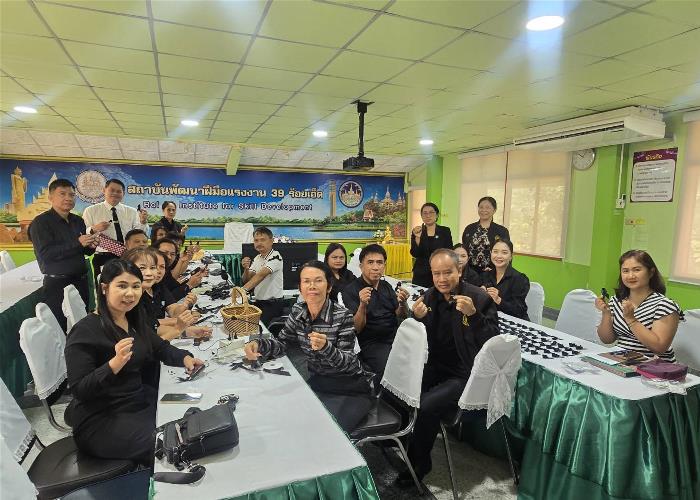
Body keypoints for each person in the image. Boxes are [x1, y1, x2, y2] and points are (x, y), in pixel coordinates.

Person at [64, 259, 204, 465]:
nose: (130, 293)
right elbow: (80, 390)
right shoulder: (84, 331)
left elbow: (159, 347)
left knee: (194, 423)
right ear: (104, 288)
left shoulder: (132, 318)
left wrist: (185, 358)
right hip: (102, 420)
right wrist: (113, 365)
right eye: (122, 286)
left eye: (135, 286)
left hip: (137, 401)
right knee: (175, 445)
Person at [399, 248, 499, 486]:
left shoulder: (479, 298)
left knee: (426, 405)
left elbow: (493, 343)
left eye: (448, 272)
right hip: (435, 367)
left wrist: (473, 315)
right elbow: (415, 337)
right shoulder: (429, 297)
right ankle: (402, 444)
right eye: (437, 274)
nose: (442, 279)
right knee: (399, 388)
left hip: (466, 374)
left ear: (459, 270)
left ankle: (419, 465)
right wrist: (415, 318)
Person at [244, 261, 372, 432]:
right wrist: (258, 344)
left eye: (318, 280)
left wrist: (326, 347)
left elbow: (348, 363)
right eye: (306, 281)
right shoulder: (298, 311)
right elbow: (282, 343)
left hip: (349, 388)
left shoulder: (343, 316)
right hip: (318, 382)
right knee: (286, 418)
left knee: (327, 430)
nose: (312, 286)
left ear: (329, 287)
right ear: (300, 288)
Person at [28, 178, 98, 331]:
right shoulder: (40, 223)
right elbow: (46, 254)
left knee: (82, 322)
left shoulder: (78, 220)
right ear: (50, 197)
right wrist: (78, 243)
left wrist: (91, 246)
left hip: (81, 281)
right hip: (57, 284)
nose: (68, 198)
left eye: (72, 195)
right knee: (60, 326)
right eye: (62, 194)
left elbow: (83, 251)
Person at [595, 250, 683, 361]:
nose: (630, 276)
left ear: (651, 272)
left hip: (654, 366)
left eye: (637, 270)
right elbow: (607, 340)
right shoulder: (616, 300)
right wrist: (606, 313)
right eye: (625, 271)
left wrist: (631, 319)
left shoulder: (665, 305)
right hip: (621, 359)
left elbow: (659, 347)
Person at [341, 244, 409, 379]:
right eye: (370, 262)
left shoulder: (386, 285)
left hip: (396, 336)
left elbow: (401, 315)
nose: (375, 267)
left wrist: (403, 303)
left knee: (420, 360)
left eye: (379, 262)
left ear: (384, 266)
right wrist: (362, 305)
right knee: (392, 371)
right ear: (361, 266)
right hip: (372, 342)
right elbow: (356, 328)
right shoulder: (351, 290)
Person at [83, 179, 149, 287]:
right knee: (105, 288)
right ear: (104, 190)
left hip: (128, 256)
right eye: (112, 190)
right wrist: (94, 229)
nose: (115, 193)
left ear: (123, 194)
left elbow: (139, 233)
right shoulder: (91, 210)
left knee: (129, 286)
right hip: (103, 257)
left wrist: (143, 222)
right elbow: (83, 234)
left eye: (119, 191)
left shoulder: (131, 211)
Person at [241, 227, 284, 326]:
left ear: (271, 241)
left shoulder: (275, 257)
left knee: (257, 329)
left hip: (272, 305)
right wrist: (246, 269)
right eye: (256, 240)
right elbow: (246, 279)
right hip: (259, 303)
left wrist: (242, 291)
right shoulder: (257, 258)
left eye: (262, 240)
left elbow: (261, 275)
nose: (259, 243)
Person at [480, 239, 530, 320]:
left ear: (511, 256)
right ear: (491, 253)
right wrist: (479, 293)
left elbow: (519, 311)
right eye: (495, 251)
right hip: (493, 319)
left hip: (515, 321)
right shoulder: (486, 275)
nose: (499, 256)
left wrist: (498, 300)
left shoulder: (520, 279)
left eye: (504, 252)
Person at [461, 196, 510, 273]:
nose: (484, 210)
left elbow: (506, 253)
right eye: (481, 207)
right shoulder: (469, 228)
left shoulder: (502, 231)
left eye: (487, 207)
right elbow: (464, 249)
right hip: (470, 272)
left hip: (492, 272)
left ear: (494, 210)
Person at [410, 203, 453, 287]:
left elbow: (449, 252)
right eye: (425, 213)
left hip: (440, 272)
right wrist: (418, 237)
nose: (428, 215)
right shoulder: (417, 231)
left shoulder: (445, 231)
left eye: (431, 212)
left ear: (437, 215)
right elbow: (415, 253)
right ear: (421, 216)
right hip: (421, 273)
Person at [152, 237, 204, 301]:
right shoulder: (150, 274)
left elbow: (170, 284)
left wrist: (190, 282)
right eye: (164, 253)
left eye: (172, 254)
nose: (169, 257)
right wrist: (189, 285)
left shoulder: (165, 268)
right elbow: (164, 300)